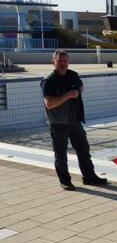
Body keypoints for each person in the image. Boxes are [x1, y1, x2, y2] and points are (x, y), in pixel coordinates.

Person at [41, 50, 108, 191]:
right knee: (61, 155)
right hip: (58, 123)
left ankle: (89, 177)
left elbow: (81, 86)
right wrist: (68, 95)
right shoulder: (49, 82)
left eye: (65, 60)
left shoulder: (73, 75)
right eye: (59, 60)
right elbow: (49, 104)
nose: (62, 63)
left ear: (68, 62)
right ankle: (65, 181)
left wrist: (77, 91)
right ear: (53, 61)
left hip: (74, 120)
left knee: (84, 150)